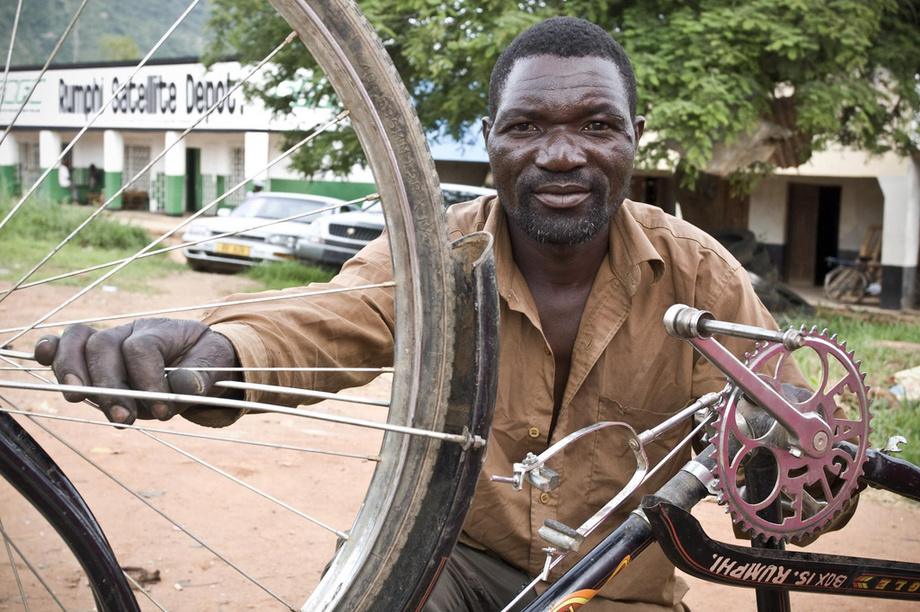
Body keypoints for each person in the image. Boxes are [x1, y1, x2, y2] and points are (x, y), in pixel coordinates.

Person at [36, 18, 812, 611]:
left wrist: (792, 475)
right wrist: (218, 355)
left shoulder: (701, 275)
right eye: (527, 126)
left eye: (596, 125)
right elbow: (325, 319)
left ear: (635, 138)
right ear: (490, 138)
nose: (561, 154)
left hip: (618, 592)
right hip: (453, 565)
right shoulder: (436, 256)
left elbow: (796, 436)